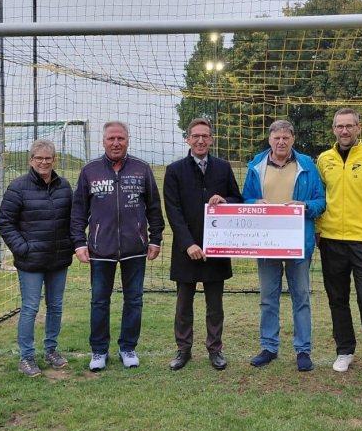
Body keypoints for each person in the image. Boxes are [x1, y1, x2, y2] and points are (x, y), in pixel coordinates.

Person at [71, 120, 165, 372]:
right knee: (99, 302)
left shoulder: (142, 169)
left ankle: (128, 348)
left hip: (135, 248)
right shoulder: (90, 170)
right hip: (100, 250)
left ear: (128, 140)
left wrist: (155, 238)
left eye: (120, 138)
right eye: (111, 138)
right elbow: (78, 210)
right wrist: (79, 242)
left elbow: (154, 207)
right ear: (103, 141)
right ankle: (99, 350)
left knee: (134, 300)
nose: (115, 143)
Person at [242, 120, 326, 372]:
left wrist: (306, 206)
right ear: (270, 140)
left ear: (292, 139)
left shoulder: (307, 165)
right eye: (276, 138)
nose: (281, 142)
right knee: (268, 297)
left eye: (285, 138)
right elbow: (245, 199)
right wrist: (255, 202)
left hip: (298, 243)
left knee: (301, 297)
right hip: (266, 243)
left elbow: (321, 200)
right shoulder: (256, 166)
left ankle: (303, 350)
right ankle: (269, 347)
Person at [316, 108, 362, 381]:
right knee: (337, 299)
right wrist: (319, 231)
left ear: (359, 128)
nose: (344, 130)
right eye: (340, 126)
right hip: (332, 241)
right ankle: (345, 350)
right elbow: (320, 197)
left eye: (349, 126)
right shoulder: (324, 159)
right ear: (333, 129)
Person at [163, 118, 243, 371]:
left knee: (215, 305)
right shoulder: (174, 170)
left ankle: (215, 349)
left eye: (205, 136)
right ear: (187, 139)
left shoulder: (223, 167)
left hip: (216, 248)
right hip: (186, 250)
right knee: (183, 305)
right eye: (195, 136)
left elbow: (237, 199)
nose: (200, 140)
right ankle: (183, 350)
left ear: (211, 139)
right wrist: (188, 244)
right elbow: (173, 211)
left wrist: (225, 200)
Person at [0, 139, 74, 377]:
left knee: (56, 306)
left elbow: (74, 220)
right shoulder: (18, 187)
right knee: (30, 308)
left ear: (54, 160)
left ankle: (51, 350)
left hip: (58, 259)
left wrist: (71, 245)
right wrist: (23, 249)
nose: (43, 162)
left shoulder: (64, 187)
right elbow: (5, 223)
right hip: (31, 261)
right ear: (31, 160)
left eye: (48, 158)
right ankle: (27, 357)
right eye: (39, 158)